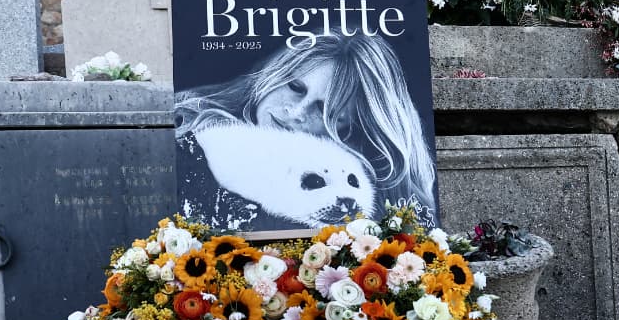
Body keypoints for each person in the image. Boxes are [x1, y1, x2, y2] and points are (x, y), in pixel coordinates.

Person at [175, 31, 436, 230]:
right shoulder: (189, 129)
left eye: (324, 111)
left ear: (349, 130)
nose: (297, 112)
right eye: (295, 87)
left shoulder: (352, 188)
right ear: (274, 74)